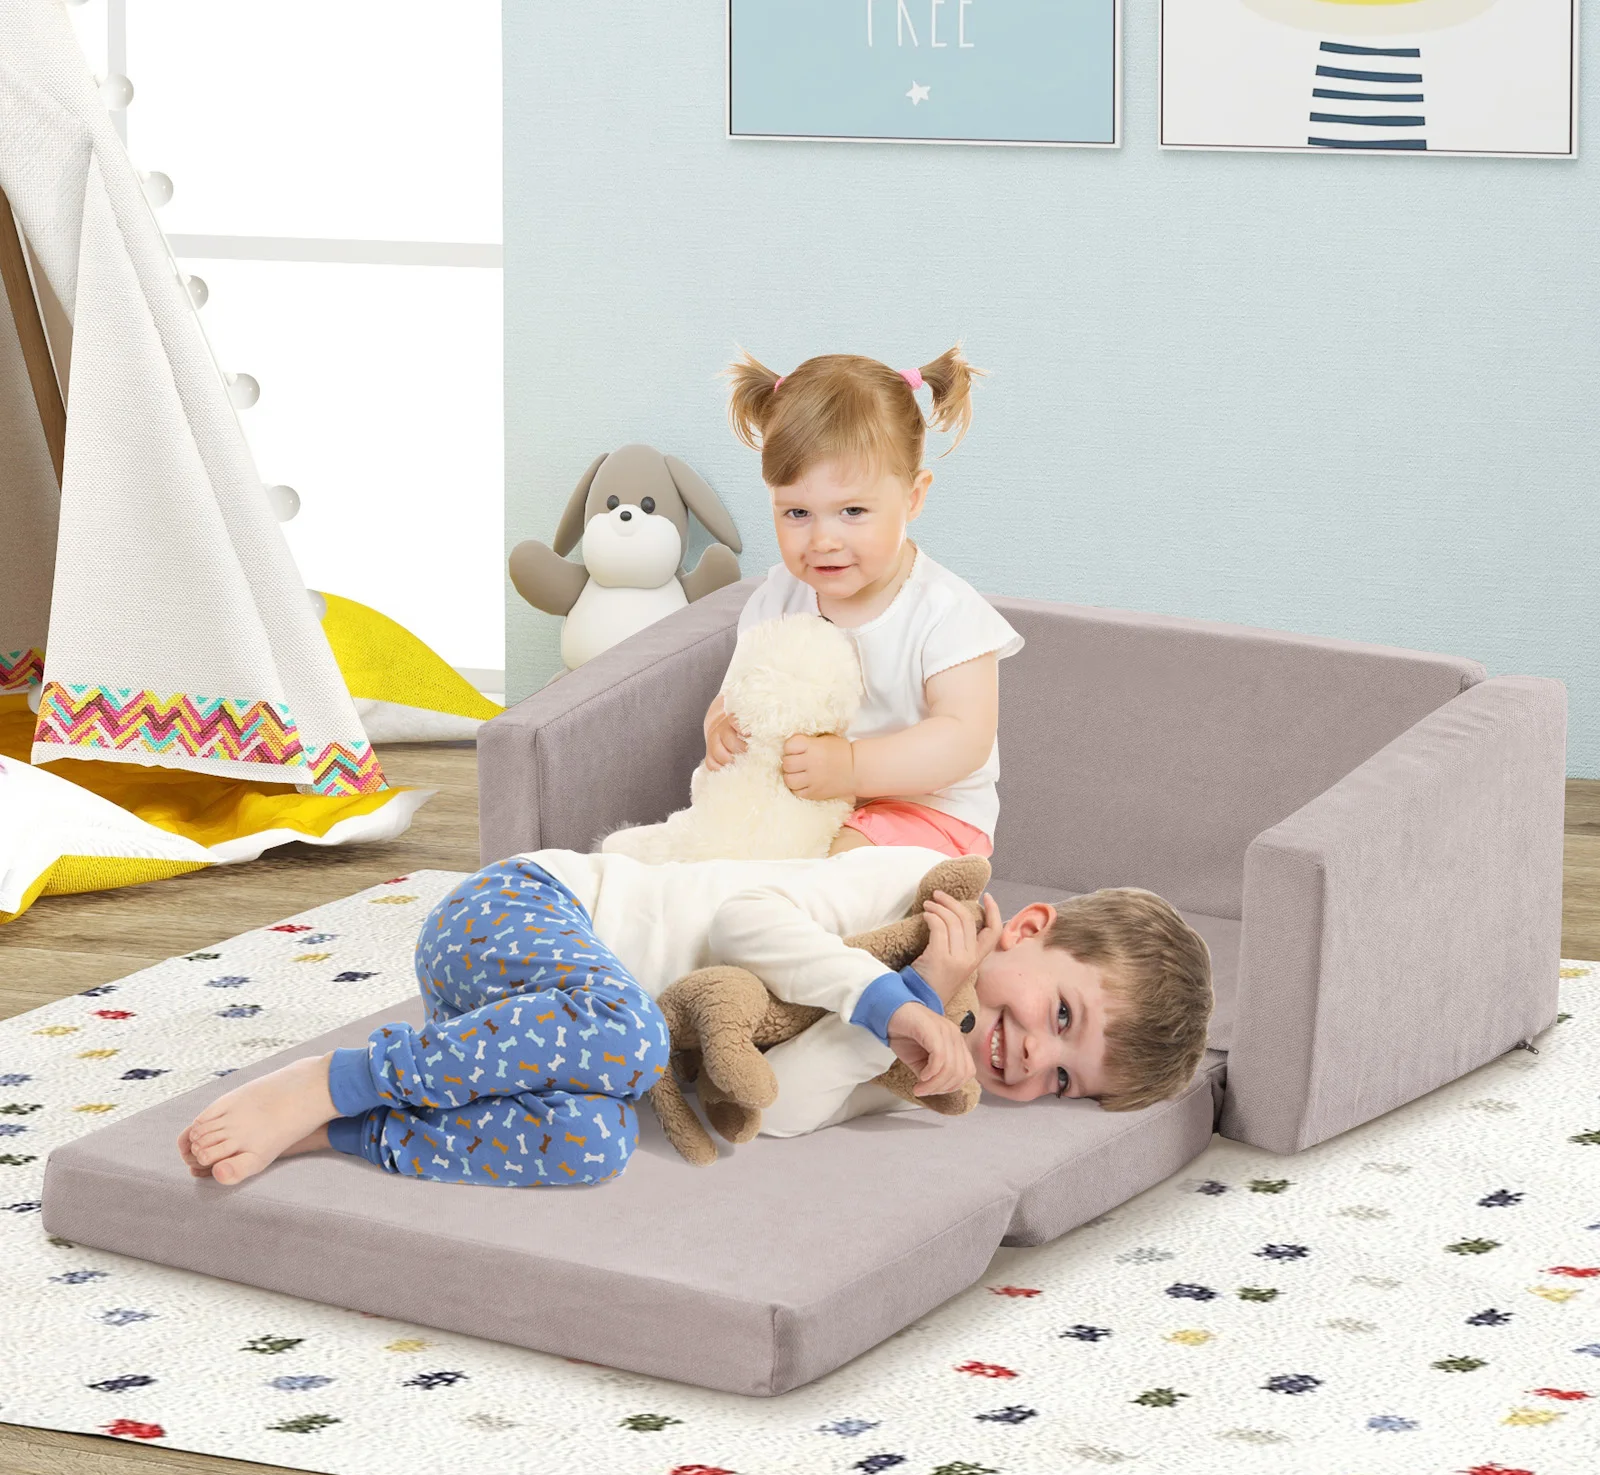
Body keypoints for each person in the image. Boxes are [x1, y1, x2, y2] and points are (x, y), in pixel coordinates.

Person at [177, 847, 1213, 1188]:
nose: (1033, 1054)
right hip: (521, 913)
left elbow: (776, 1109)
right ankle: (332, 1079)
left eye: (1064, 1074)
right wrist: (891, 990)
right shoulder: (912, 891)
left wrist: (887, 1036)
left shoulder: (915, 1070)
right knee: (630, 1036)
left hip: (517, 1030)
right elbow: (743, 920)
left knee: (593, 1145)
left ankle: (343, 1130)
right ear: (1027, 929)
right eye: (1062, 1012)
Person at [704, 346, 1022, 860]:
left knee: (840, 864)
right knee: (722, 844)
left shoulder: (946, 612)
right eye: (797, 513)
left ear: (913, 498)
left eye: (852, 511)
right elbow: (739, 692)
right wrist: (721, 728)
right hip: (809, 804)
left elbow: (965, 739)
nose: (823, 540)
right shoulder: (778, 596)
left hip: (928, 813)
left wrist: (852, 766)